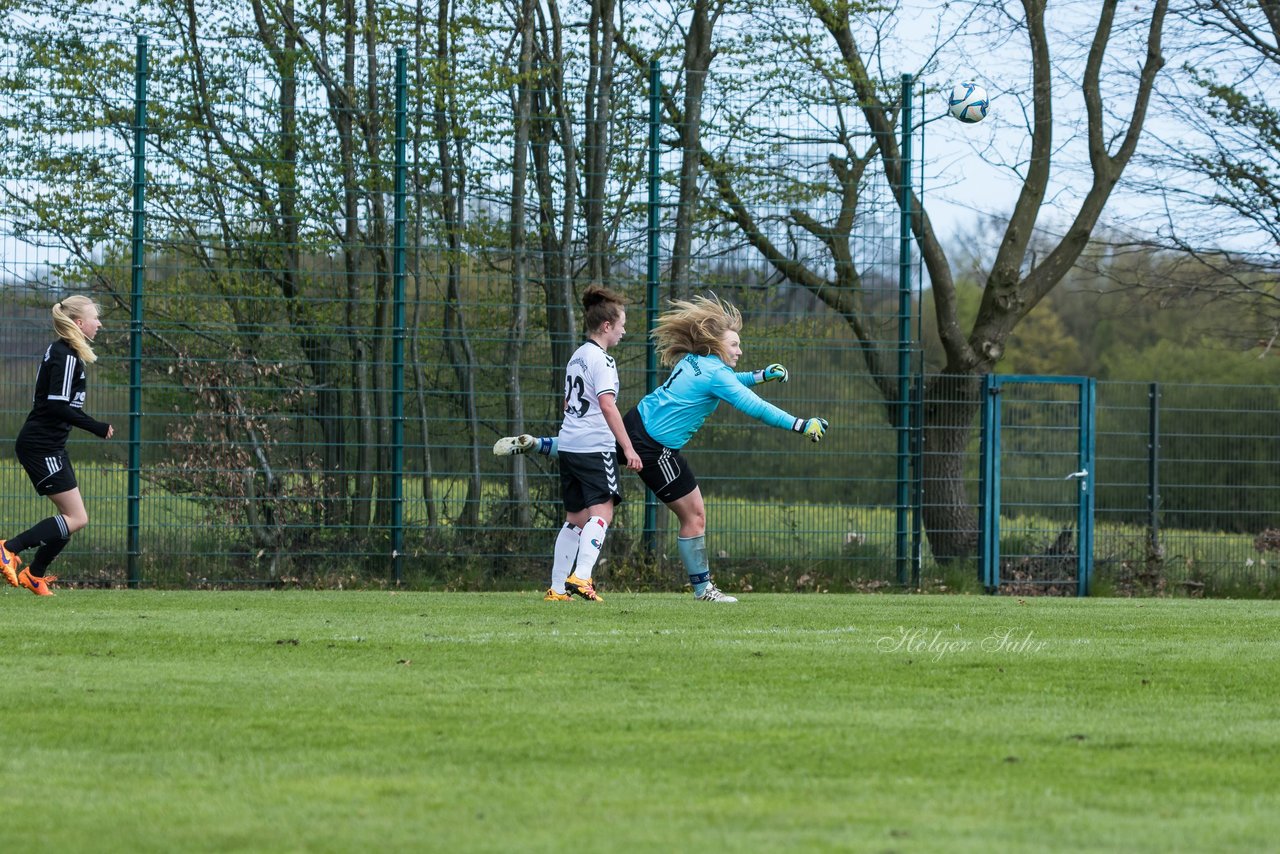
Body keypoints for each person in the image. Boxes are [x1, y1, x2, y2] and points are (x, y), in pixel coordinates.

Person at [496, 294, 828, 603]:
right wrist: (801, 424)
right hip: (658, 450)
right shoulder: (715, 374)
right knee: (695, 516)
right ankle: (703, 589)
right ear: (716, 344)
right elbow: (755, 407)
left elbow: (727, 382)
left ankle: (542, 444)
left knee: (596, 451)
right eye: (735, 344)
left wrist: (759, 375)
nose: (739, 350)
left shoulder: (694, 362)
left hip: (636, 421)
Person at [1, 295, 114, 597]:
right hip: (41, 447)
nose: (99, 323)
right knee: (76, 518)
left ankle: (34, 575)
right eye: (95, 318)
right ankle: (8, 549)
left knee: (72, 518)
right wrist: (97, 427)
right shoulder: (65, 355)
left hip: (50, 446)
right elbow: (57, 406)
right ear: (79, 323)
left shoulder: (66, 353)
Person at [536, 285, 642, 603]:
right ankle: (581, 577)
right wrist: (628, 448)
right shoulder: (603, 360)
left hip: (569, 445)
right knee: (602, 515)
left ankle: (556, 589)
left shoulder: (577, 356)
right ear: (607, 326)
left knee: (575, 520)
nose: (624, 331)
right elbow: (607, 405)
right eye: (621, 324)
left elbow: (568, 401)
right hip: (595, 447)